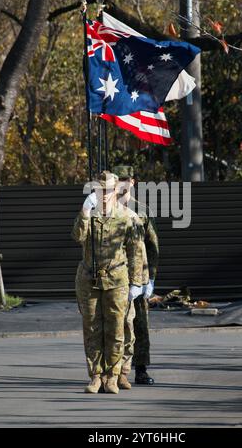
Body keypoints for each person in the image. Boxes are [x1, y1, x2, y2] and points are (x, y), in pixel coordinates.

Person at [71, 171, 144, 394]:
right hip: (89, 278)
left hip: (117, 279)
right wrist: (85, 210)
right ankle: (96, 376)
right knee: (92, 329)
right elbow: (78, 237)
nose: (104, 195)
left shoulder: (128, 217)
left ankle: (112, 376)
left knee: (115, 329)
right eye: (100, 191)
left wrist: (136, 283)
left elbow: (136, 252)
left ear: (116, 191)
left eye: (109, 191)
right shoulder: (89, 215)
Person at [113, 165, 159, 385]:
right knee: (114, 325)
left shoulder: (141, 211)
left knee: (139, 325)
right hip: (113, 277)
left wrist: (150, 278)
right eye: (118, 179)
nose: (122, 183)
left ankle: (140, 369)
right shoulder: (106, 210)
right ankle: (113, 372)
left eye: (126, 179)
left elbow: (152, 245)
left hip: (138, 278)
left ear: (133, 182)